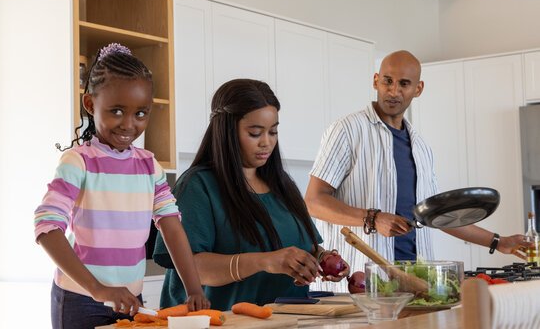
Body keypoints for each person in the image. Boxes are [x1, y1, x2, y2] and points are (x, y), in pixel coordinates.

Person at [305, 50, 533, 292]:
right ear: (375, 81)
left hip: (415, 284)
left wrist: (498, 242)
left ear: (418, 88)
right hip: (360, 288)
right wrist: (372, 218)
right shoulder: (347, 130)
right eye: (387, 81)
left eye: (404, 84)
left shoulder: (421, 146)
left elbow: (436, 217)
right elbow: (313, 201)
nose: (393, 91)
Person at [34, 43, 210, 329]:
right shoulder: (78, 162)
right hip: (82, 298)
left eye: (141, 113)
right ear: (90, 104)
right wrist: (98, 289)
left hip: (131, 300)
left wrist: (194, 288)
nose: (129, 124)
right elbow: (46, 227)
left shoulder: (150, 166)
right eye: (117, 111)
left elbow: (171, 226)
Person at [153, 79, 350, 311]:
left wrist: (321, 260)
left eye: (273, 131)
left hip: (287, 322)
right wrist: (265, 261)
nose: (267, 142)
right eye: (255, 133)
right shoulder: (198, 186)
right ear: (226, 130)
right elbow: (189, 265)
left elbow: (307, 246)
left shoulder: (283, 185)